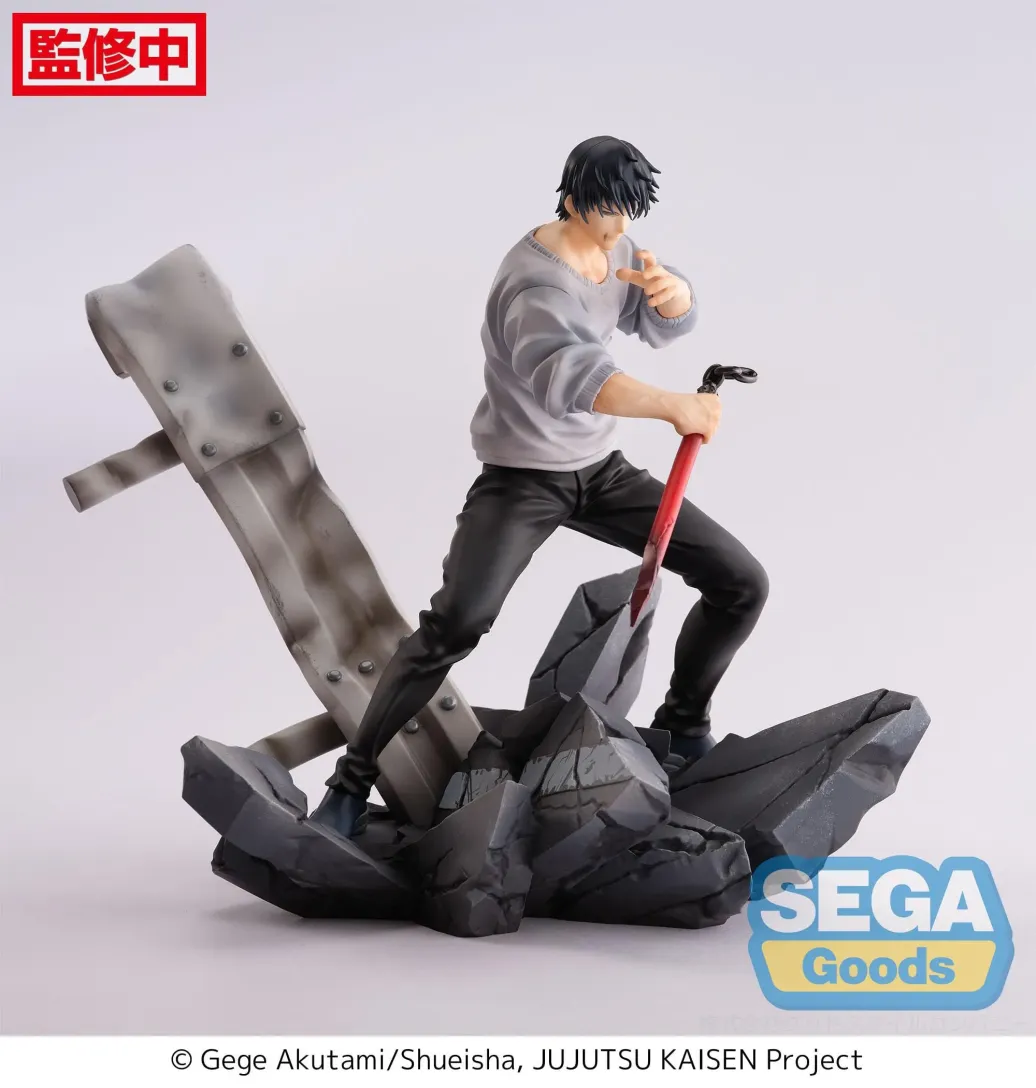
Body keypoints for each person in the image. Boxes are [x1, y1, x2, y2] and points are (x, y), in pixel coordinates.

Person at [311, 135, 768, 838]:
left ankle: (682, 725)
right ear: (573, 199)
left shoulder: (613, 248)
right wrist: (672, 406)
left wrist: (673, 298)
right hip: (523, 478)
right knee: (455, 624)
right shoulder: (535, 284)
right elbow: (574, 378)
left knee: (741, 582)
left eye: (629, 213)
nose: (620, 227)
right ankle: (350, 781)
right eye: (609, 211)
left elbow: (653, 321)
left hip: (600, 471)